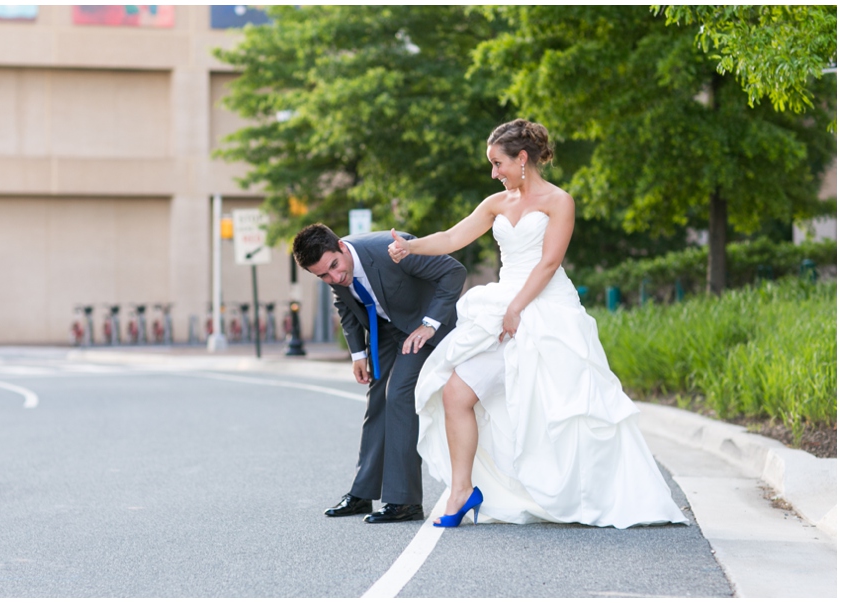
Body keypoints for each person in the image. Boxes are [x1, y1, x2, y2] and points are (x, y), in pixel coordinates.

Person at [387, 118, 689, 529]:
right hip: (500, 306)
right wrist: (411, 246)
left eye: (498, 163)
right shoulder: (497, 203)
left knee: (559, 409)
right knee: (456, 393)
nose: (494, 173)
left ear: (522, 158)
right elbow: (453, 237)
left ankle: (585, 493)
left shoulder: (559, 201)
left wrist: (518, 309)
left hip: (546, 309)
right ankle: (462, 492)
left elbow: (549, 262)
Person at [293, 224, 466, 523]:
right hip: (386, 330)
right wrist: (358, 354)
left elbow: (454, 272)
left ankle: (405, 501)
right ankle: (362, 494)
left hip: (422, 326)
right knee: (377, 400)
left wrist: (429, 324)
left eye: (334, 266)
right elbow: (345, 302)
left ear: (342, 247)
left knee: (397, 395)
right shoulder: (332, 268)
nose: (334, 278)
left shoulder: (393, 249)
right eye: (324, 276)